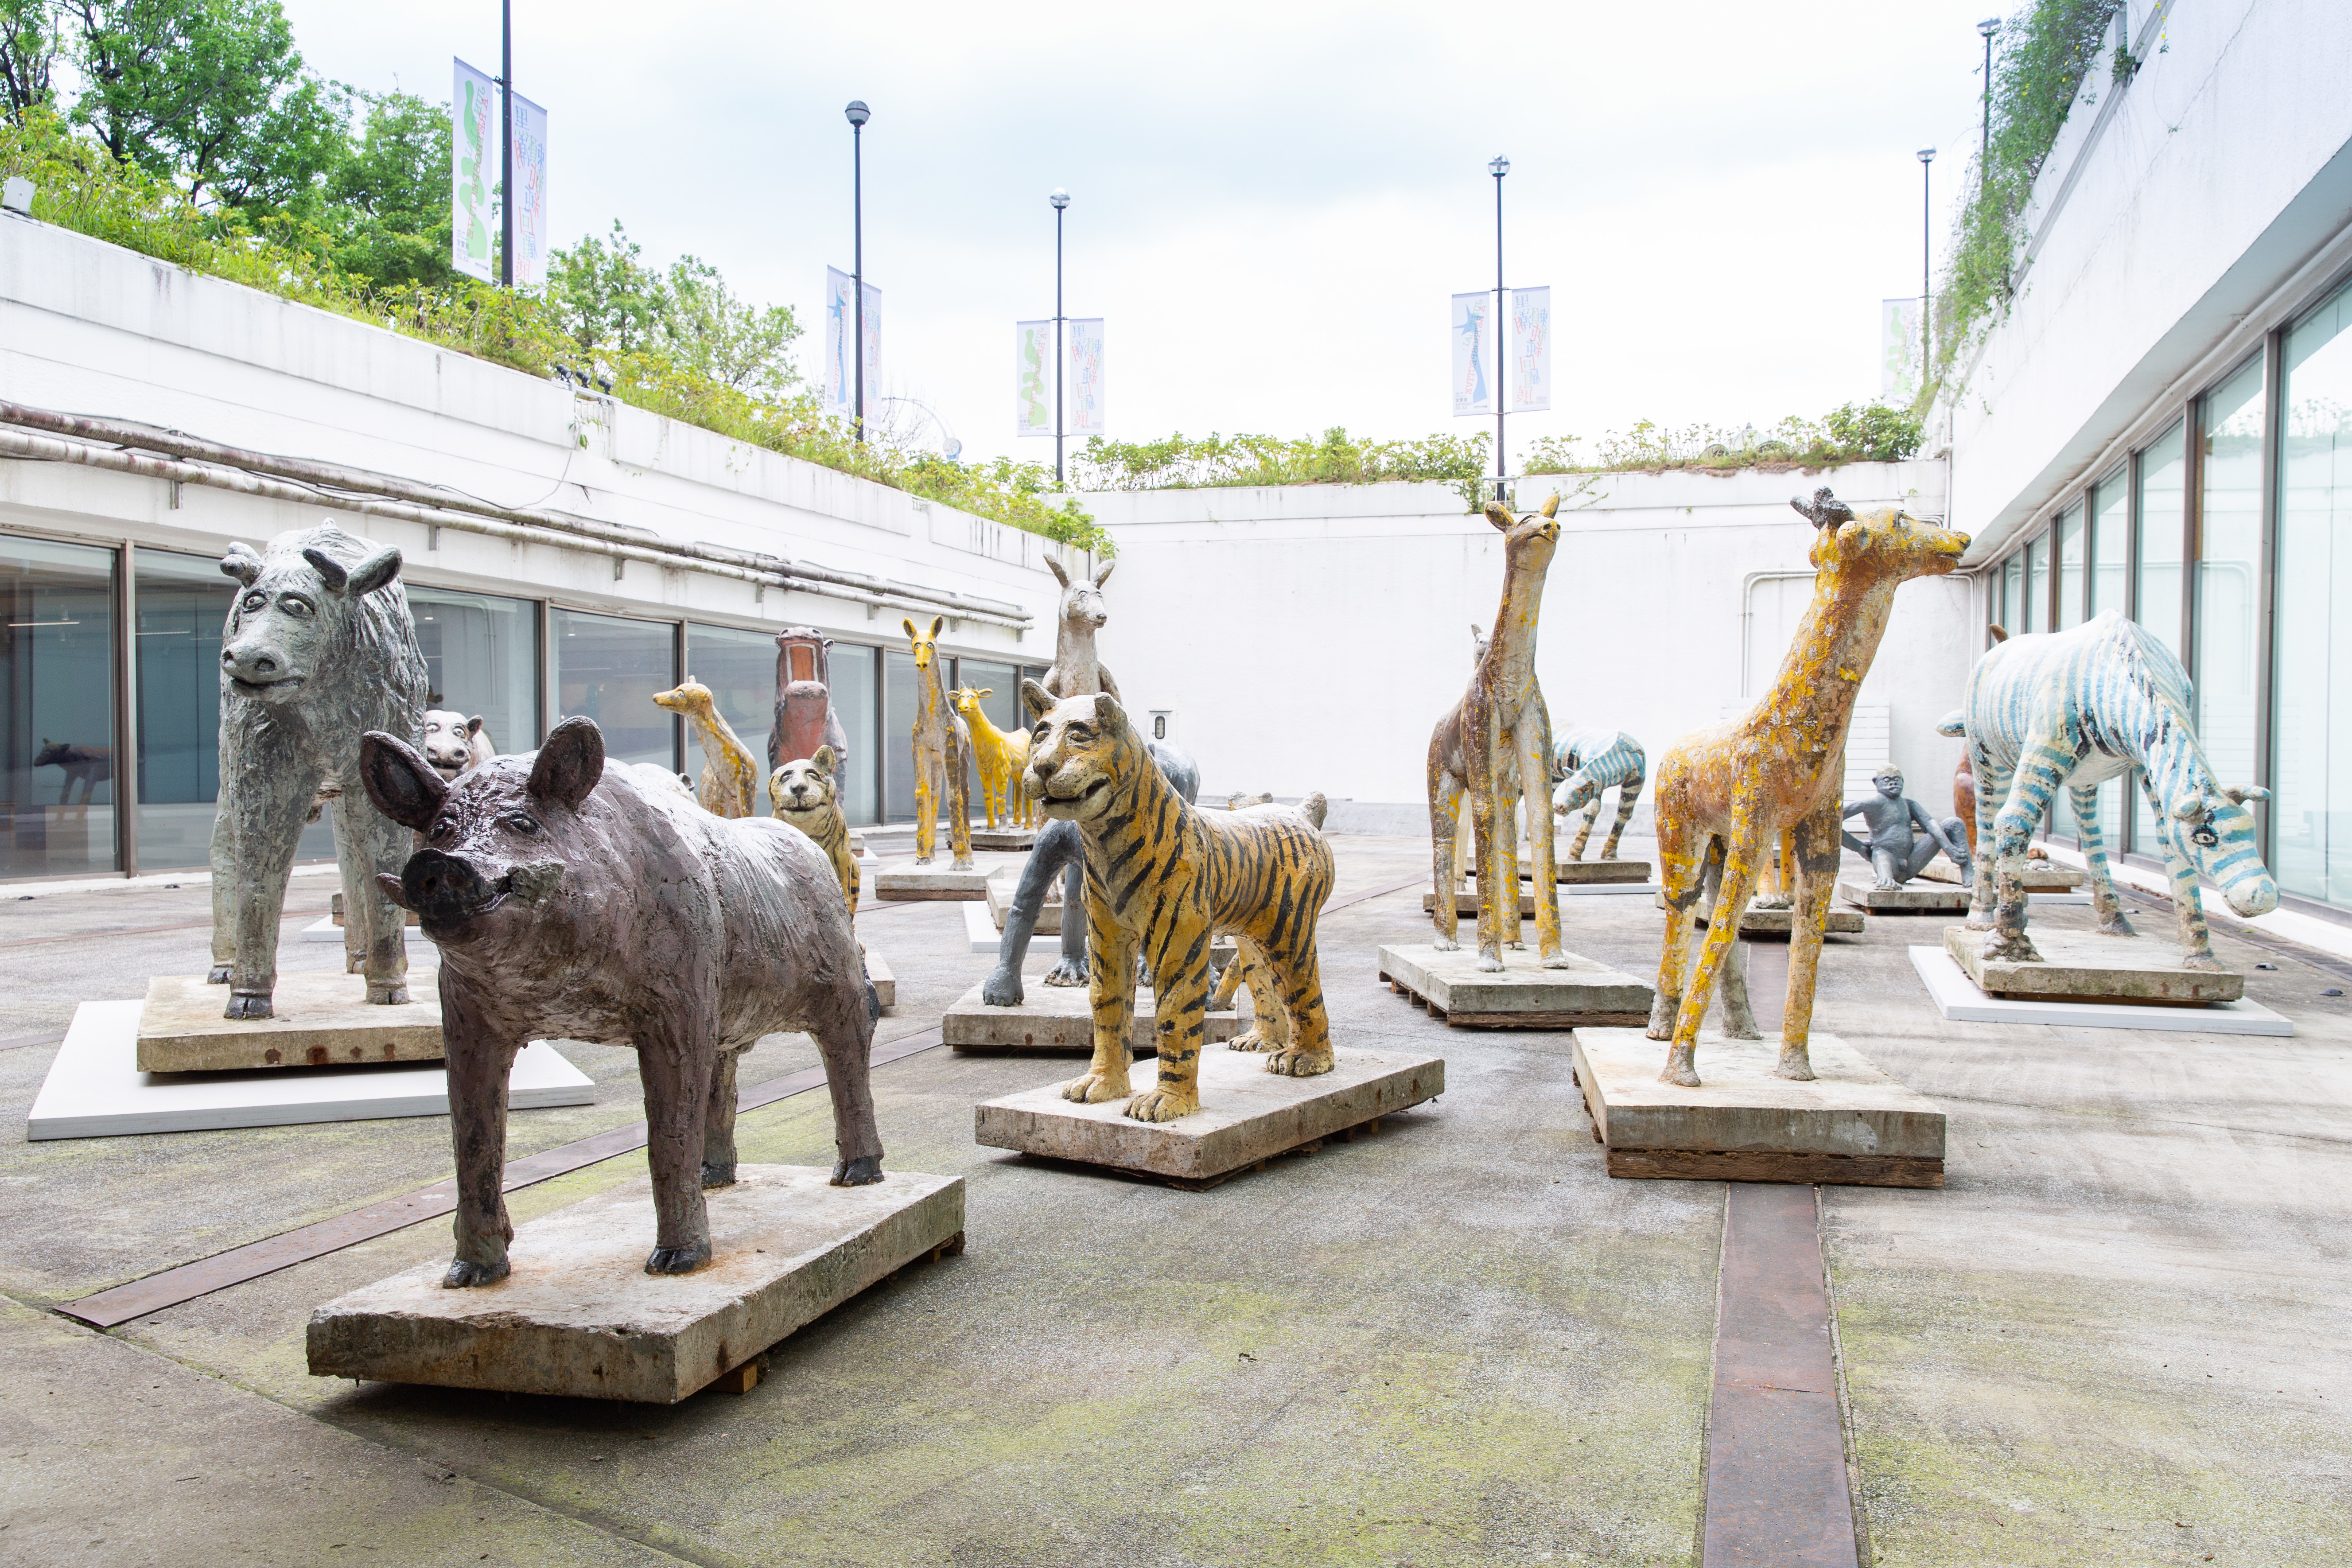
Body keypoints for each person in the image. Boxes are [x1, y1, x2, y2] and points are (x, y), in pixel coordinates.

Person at [1841, 766, 1972, 888]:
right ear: (1876, 782)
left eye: (1897, 780)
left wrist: (1949, 848)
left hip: (1911, 860)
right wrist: (1858, 847)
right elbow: (1833, 821)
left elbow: (1930, 824)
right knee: (1882, 856)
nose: (1893, 783)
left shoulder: (1909, 804)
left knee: (1954, 823)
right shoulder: (1870, 803)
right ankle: (1886, 879)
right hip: (1886, 858)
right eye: (1887, 780)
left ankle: (1969, 876)